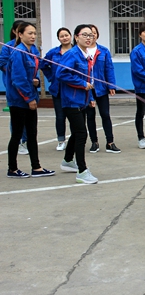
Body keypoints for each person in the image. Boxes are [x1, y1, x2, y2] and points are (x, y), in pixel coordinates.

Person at [5, 22, 55, 178]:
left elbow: (33, 74)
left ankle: (36, 167)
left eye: (34, 33)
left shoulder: (32, 51)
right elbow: (18, 79)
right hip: (19, 100)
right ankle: (12, 169)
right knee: (17, 134)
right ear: (20, 35)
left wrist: (36, 82)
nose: (33, 36)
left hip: (30, 96)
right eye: (29, 33)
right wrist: (29, 98)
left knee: (32, 133)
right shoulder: (18, 53)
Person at [56, 25, 99, 184]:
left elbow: (88, 78)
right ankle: (82, 170)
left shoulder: (86, 54)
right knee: (81, 134)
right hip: (71, 101)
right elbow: (61, 73)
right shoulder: (72, 54)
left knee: (76, 132)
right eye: (85, 35)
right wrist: (82, 84)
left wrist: (90, 97)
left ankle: (68, 161)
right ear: (76, 37)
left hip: (82, 100)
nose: (88, 38)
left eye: (91, 35)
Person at [85, 25, 120, 154]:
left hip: (101, 88)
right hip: (87, 89)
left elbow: (109, 68)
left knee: (105, 114)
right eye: (89, 33)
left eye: (94, 33)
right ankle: (94, 142)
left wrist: (111, 85)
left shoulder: (103, 51)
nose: (92, 35)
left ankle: (110, 142)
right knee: (90, 116)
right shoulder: (81, 51)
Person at [1, 20, 29, 155]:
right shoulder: (9, 47)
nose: (31, 36)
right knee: (17, 115)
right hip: (14, 86)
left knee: (28, 116)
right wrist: (16, 72)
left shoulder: (31, 48)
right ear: (16, 32)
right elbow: (3, 63)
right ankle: (18, 142)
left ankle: (26, 141)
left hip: (28, 86)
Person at [43, 27, 73, 151]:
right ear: (58, 39)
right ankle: (61, 140)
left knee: (74, 117)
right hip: (58, 89)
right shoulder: (53, 53)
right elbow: (43, 65)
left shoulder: (77, 51)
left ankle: (75, 139)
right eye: (62, 36)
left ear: (71, 36)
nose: (65, 38)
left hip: (73, 89)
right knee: (60, 117)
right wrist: (51, 77)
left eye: (66, 35)